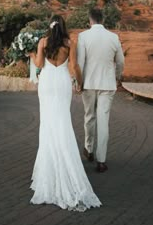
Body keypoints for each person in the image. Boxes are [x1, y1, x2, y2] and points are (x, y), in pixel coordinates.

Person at [29, 14, 101, 212]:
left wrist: (31, 55)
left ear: (50, 26)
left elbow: (39, 65)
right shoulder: (70, 43)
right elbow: (74, 66)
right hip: (61, 83)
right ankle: (66, 163)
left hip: (46, 83)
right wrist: (80, 82)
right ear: (63, 26)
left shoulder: (43, 41)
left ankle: (48, 168)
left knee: (48, 123)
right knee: (62, 121)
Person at [77, 6, 125, 173]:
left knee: (89, 117)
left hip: (88, 84)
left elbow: (80, 62)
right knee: (103, 120)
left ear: (90, 20)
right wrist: (117, 77)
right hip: (107, 84)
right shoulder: (114, 37)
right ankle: (101, 160)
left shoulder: (83, 36)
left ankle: (88, 149)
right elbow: (120, 62)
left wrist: (79, 82)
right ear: (102, 19)